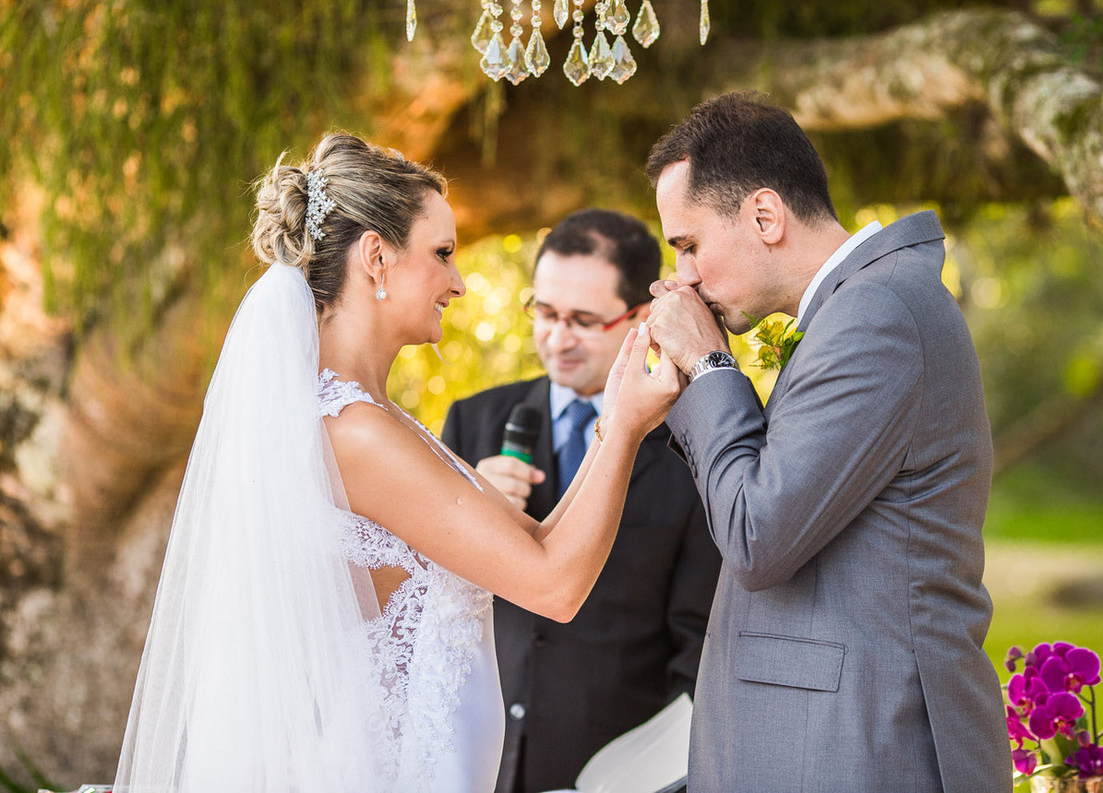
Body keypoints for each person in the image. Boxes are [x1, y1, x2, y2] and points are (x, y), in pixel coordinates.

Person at [113, 134, 683, 793]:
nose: (460, 281)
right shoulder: (354, 433)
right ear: (376, 257)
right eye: (441, 253)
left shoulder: (375, 419)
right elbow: (554, 584)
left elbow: (538, 543)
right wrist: (628, 430)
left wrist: (616, 419)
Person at [642, 92, 1011, 792]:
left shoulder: (878, 314)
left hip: (863, 747)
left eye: (688, 243)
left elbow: (758, 533)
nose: (683, 274)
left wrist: (710, 366)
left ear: (764, 215)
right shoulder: (861, 307)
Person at [441, 209, 721, 793]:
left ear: (640, 319)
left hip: (621, 767)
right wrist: (466, 507)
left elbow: (702, 640)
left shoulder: (696, 445)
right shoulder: (473, 421)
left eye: (583, 320)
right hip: (476, 760)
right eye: (543, 312)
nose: (556, 337)